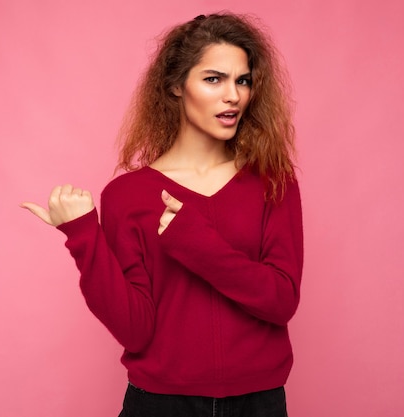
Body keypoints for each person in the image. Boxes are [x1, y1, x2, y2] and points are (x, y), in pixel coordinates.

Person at [21, 12, 303, 417]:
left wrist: (195, 242)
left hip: (258, 403)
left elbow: (281, 300)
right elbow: (135, 331)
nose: (234, 96)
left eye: (242, 80)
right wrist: (83, 235)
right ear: (175, 86)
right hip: (159, 405)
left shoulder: (273, 180)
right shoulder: (127, 195)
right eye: (213, 79)